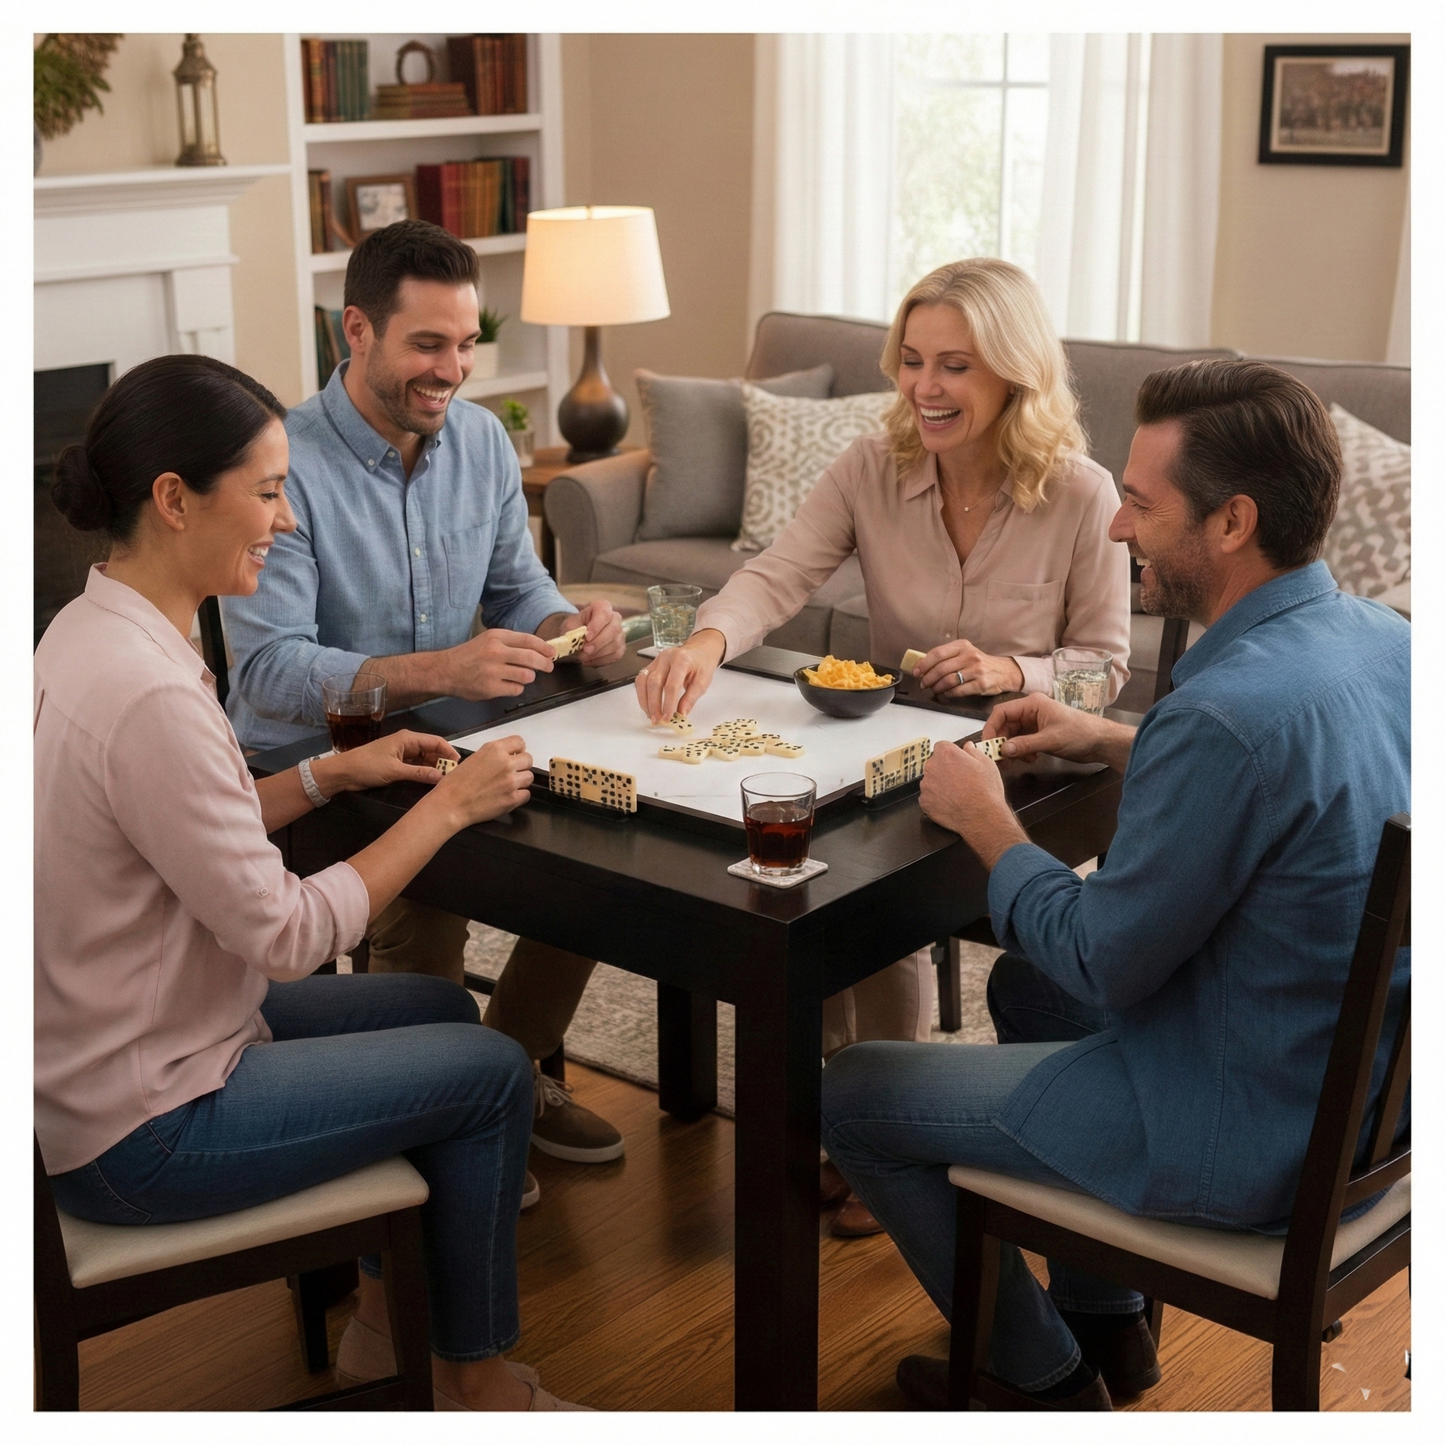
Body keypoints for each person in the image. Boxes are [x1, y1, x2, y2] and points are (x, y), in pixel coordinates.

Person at [820, 358, 1410, 1409]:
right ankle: (1108, 1331)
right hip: (1364, 1092)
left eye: (1138, 502)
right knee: (1025, 991)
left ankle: (1039, 1380)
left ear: (1230, 522)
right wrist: (1110, 736)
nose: (1114, 527)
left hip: (1248, 1130)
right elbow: (1278, 784)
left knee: (856, 1093)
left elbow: (1101, 948)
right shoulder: (1381, 642)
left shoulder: (1224, 714)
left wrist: (987, 823)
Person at [34, 354, 588, 1410]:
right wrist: (448, 807)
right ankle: (472, 1383)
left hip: (117, 1052)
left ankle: (384, 1335)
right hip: (145, 1125)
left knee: (429, 1002)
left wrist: (327, 771)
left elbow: (181, 831)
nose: (286, 523)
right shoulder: (149, 691)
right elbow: (286, 934)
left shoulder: (83, 631)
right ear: (173, 498)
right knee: (490, 1073)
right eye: (270, 491)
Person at [635, 258, 1130, 1234]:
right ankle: (838, 1117)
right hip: (885, 748)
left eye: (954, 364)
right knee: (798, 888)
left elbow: (1102, 669)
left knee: (872, 912)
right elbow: (777, 574)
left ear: (1012, 374)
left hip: (1020, 763)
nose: (923, 387)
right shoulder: (871, 464)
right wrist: (702, 639)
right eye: (911, 360)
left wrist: (1008, 672)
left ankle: (883, 1135)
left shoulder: (1079, 492)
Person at [223, 221, 627, 1184]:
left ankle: (509, 1068)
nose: (451, 370)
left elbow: (517, 588)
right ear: (353, 332)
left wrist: (569, 618)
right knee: (426, 905)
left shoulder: (483, 442)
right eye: (427, 345)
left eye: (464, 345)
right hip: (314, 765)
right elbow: (270, 675)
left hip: (451, 740)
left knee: (603, 865)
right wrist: (438, 669)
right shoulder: (283, 466)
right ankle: (437, 1118)